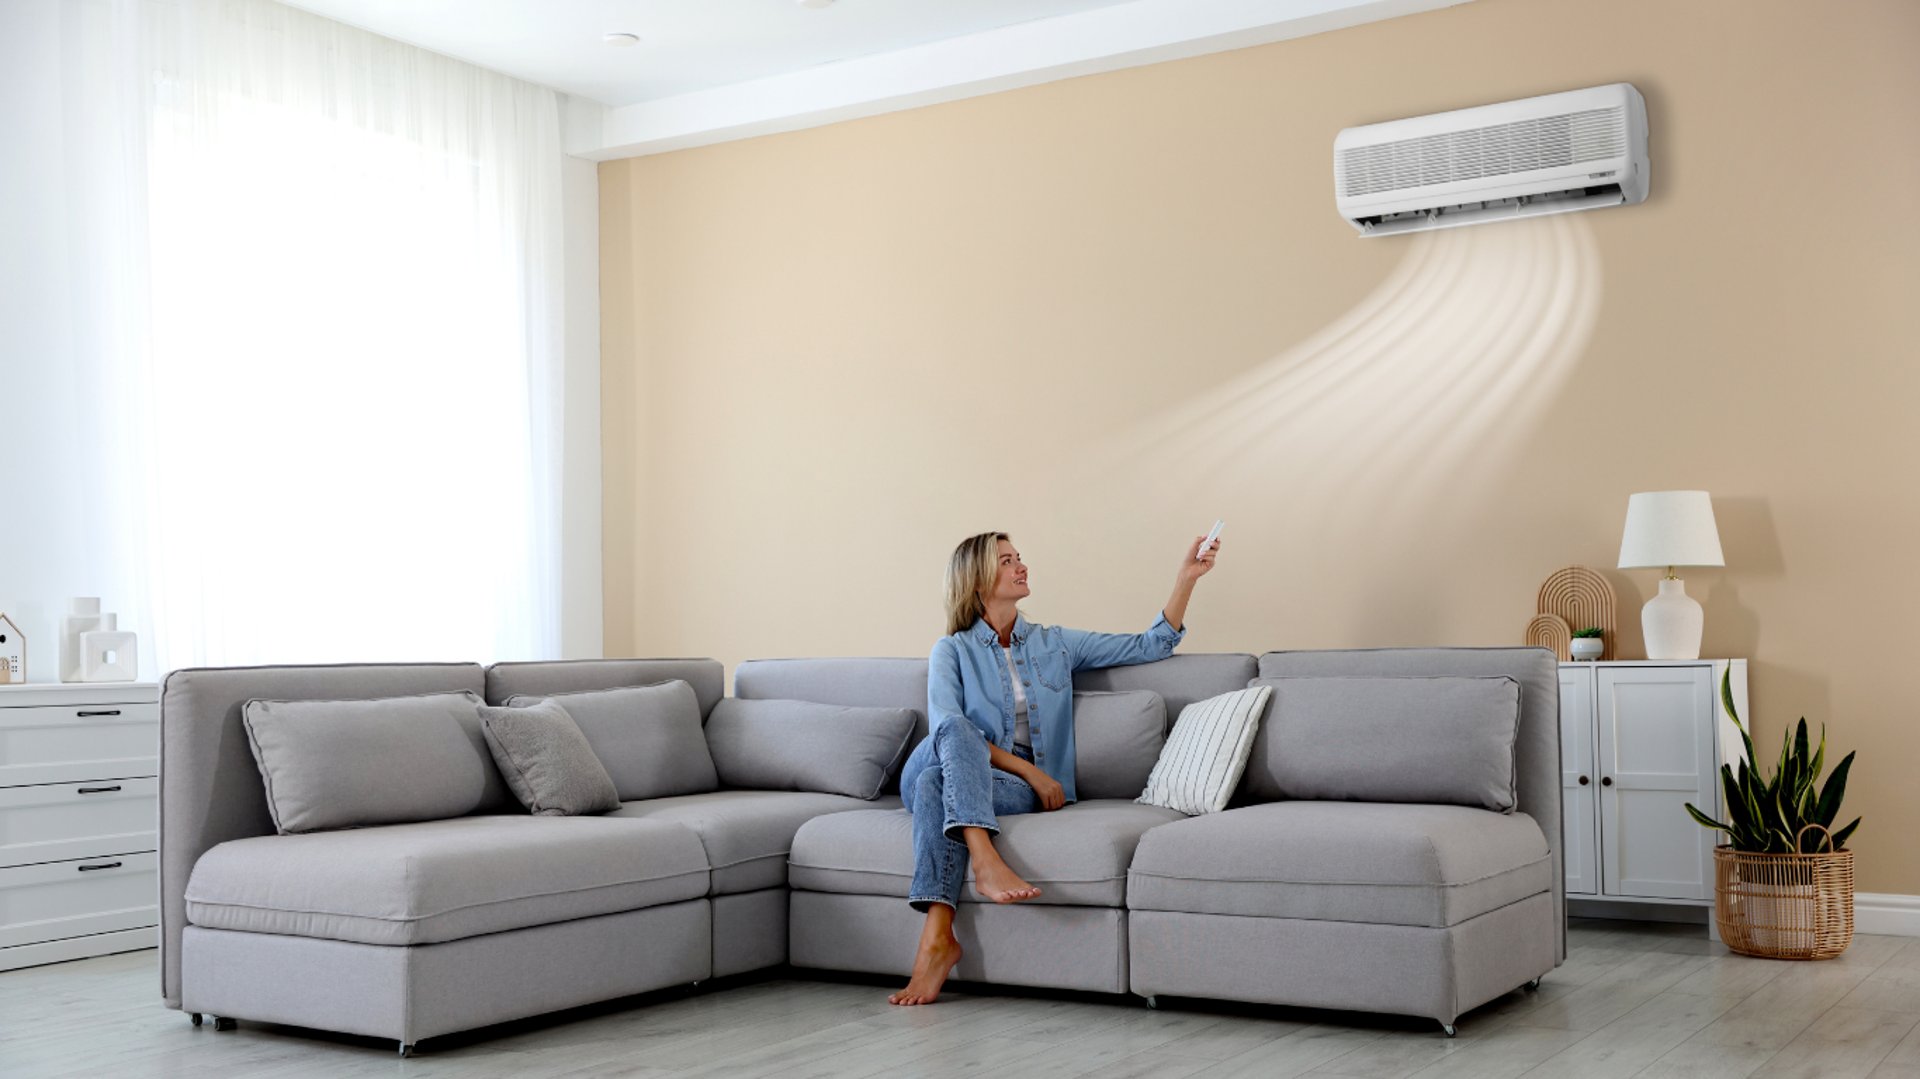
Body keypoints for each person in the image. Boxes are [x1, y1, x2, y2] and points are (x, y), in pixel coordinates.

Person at [887, 530, 1221, 1006]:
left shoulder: (1055, 644)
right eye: (1007, 561)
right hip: (965, 758)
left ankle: (938, 940)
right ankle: (986, 861)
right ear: (977, 580)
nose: (1021, 566)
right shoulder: (952, 651)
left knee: (934, 785)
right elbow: (947, 728)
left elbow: (1150, 645)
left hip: (989, 782)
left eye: (1019, 558)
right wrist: (1034, 775)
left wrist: (1186, 579)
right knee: (954, 734)